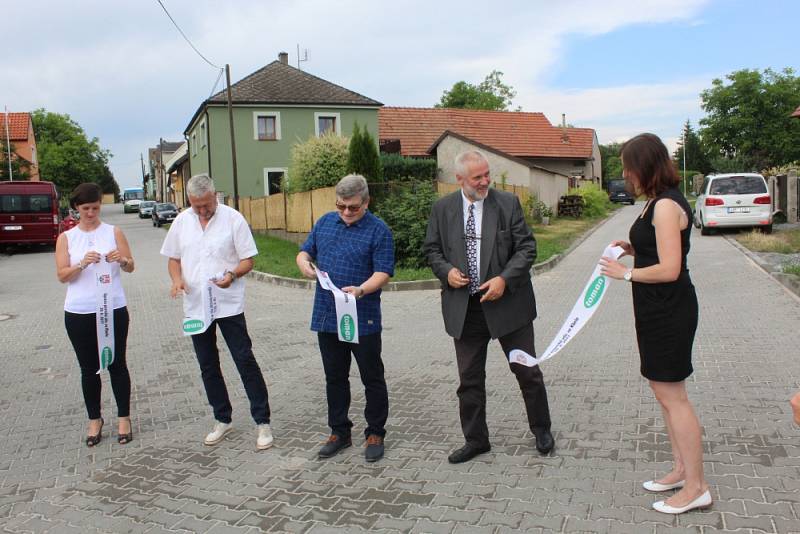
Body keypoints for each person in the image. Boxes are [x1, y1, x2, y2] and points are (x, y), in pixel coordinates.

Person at [599, 133, 710, 515]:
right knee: (665, 395)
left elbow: (670, 268)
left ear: (644, 167)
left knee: (674, 398)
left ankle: (696, 487)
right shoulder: (656, 204)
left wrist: (625, 274)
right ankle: (681, 470)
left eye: (629, 167)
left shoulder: (665, 206)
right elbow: (658, 249)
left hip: (668, 309)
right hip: (656, 308)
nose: (626, 175)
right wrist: (634, 249)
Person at [423, 150, 554, 464]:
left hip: (508, 305)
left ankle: (541, 429)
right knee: (469, 379)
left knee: (527, 371)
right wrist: (446, 271)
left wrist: (504, 280)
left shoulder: (507, 204)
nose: (485, 182)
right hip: (465, 308)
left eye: (486, 175)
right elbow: (432, 250)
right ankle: (476, 440)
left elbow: (526, 248)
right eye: (477, 178)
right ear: (459, 180)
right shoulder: (443, 209)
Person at [160, 174, 273, 450]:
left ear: (214, 196)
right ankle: (222, 418)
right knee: (207, 364)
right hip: (196, 305)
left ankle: (263, 422)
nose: (201, 210)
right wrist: (176, 280)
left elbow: (249, 260)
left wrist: (232, 274)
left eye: (205, 205)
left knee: (244, 359)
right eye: (196, 205)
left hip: (227, 303)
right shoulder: (182, 221)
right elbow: (174, 260)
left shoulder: (233, 219)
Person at [295, 174, 394, 462]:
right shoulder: (326, 222)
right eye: (341, 206)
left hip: (362, 316)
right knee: (334, 376)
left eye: (353, 207)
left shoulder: (379, 231)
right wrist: (303, 264)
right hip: (327, 314)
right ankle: (339, 432)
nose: (346, 213)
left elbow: (383, 271)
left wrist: (362, 289)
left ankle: (375, 432)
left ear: (366, 202)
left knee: (371, 376)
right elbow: (305, 252)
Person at [55, 182, 135, 447]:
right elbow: (62, 275)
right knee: (89, 369)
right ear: (76, 209)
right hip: (79, 311)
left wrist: (121, 260)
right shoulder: (67, 238)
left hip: (112, 308)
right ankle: (95, 419)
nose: (91, 213)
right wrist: (81, 263)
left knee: (117, 364)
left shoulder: (114, 231)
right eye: (86, 208)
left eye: (96, 208)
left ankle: (124, 417)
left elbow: (131, 266)